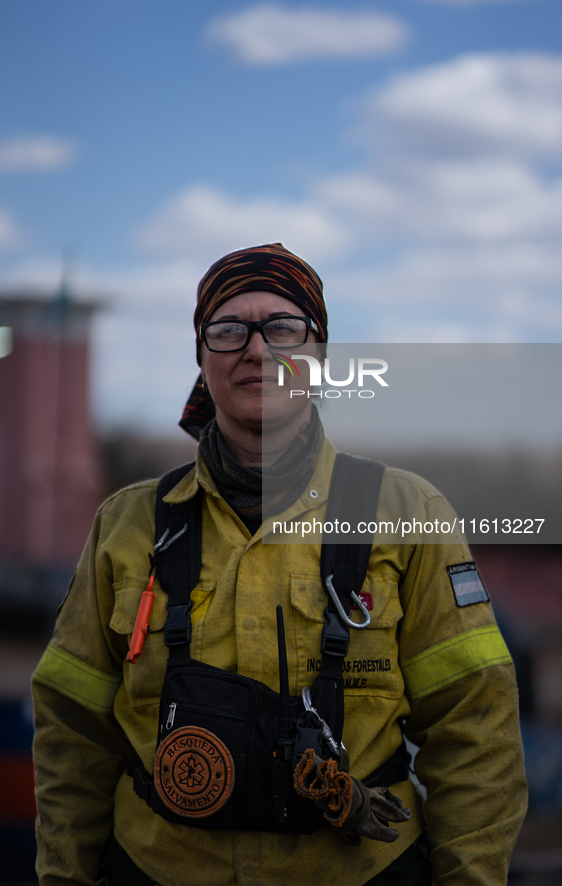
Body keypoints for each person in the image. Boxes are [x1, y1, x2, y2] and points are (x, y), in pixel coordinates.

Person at [32, 243, 527, 886]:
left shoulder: (406, 513)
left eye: (284, 328)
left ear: (318, 355)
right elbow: (73, 733)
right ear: (200, 355)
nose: (257, 351)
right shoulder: (125, 527)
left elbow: (476, 730)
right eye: (229, 329)